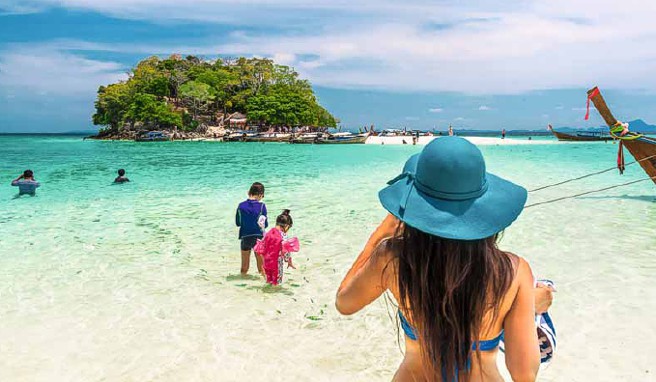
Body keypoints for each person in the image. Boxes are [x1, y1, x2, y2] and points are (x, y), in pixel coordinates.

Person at [336, 137, 542, 381]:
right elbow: (524, 374)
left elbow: (345, 302)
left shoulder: (392, 259)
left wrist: (385, 229)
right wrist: (528, 306)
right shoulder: (514, 272)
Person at [254, 209, 300, 285]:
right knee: (276, 284)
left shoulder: (268, 233)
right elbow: (286, 251)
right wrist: (288, 261)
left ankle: (267, 296)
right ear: (286, 226)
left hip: (267, 263)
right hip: (277, 264)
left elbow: (261, 248)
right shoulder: (283, 236)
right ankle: (275, 296)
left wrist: (263, 263)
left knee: (269, 282)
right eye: (289, 227)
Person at [235, 182, 268, 275]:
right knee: (262, 269)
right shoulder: (262, 206)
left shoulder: (241, 206)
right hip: (259, 238)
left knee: (244, 268)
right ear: (260, 194)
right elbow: (265, 224)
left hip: (245, 237)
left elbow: (238, 223)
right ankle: (266, 287)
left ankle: (241, 286)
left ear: (249, 192)